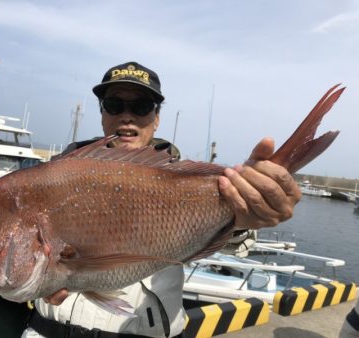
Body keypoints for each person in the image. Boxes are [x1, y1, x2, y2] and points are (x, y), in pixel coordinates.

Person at [23, 61, 301, 338]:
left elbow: (235, 244)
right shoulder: (56, 175)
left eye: (142, 106)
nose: (127, 116)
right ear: (102, 114)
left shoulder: (185, 183)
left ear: (156, 118)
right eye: (114, 104)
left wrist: (243, 216)